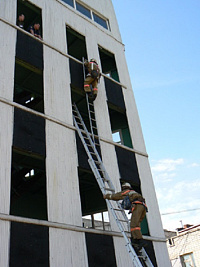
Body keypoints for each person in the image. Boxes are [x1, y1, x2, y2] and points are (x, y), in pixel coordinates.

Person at [103, 182, 148, 251]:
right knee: (136, 225)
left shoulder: (127, 192)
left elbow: (117, 196)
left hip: (137, 206)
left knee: (133, 225)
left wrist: (107, 196)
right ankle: (135, 240)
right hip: (143, 207)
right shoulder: (134, 192)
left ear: (124, 187)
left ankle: (139, 240)